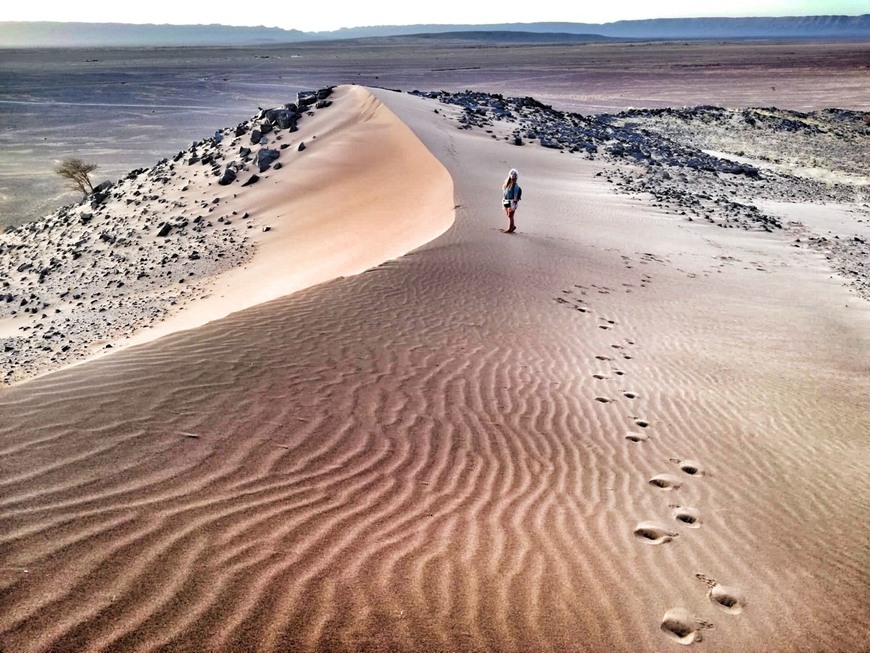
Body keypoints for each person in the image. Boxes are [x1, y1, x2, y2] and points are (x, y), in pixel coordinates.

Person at [501, 168, 522, 233]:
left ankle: (510, 228)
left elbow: (515, 195)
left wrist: (514, 204)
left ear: (516, 176)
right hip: (506, 200)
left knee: (510, 215)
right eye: (512, 173)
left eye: (514, 174)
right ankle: (512, 226)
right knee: (508, 214)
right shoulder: (507, 183)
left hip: (512, 201)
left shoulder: (515, 185)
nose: (513, 175)